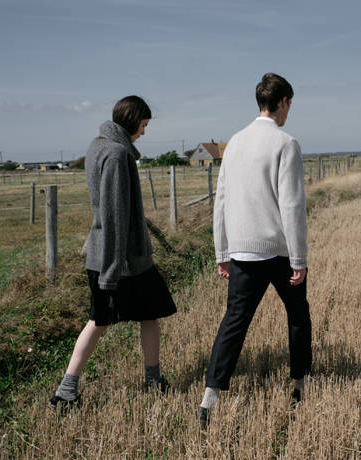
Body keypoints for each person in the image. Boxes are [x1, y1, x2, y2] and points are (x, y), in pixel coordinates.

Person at [198, 73, 311, 428]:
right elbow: (292, 206)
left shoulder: (234, 142)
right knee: (297, 316)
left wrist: (222, 252)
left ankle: (209, 397)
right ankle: (299, 385)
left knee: (234, 322)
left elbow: (221, 202)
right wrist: (300, 259)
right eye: (290, 103)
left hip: (242, 251)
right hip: (277, 251)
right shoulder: (286, 143)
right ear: (283, 102)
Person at [50, 95, 177, 410]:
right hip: (121, 260)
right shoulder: (118, 154)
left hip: (112, 256)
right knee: (102, 320)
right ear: (133, 121)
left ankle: (150, 380)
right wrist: (112, 269)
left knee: (138, 315)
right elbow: (115, 215)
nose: (144, 133)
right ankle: (67, 391)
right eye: (144, 125)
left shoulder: (97, 145)